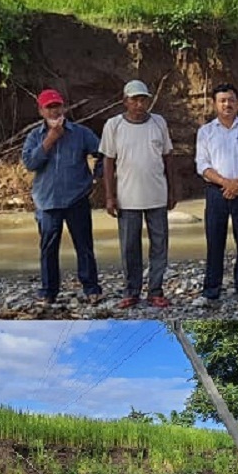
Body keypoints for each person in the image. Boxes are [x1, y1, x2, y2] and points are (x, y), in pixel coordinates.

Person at [20, 88, 103, 305]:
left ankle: (91, 287)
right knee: (48, 247)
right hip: (47, 201)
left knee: (84, 245)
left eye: (57, 106)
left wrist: (97, 177)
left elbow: (102, 153)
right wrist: (50, 139)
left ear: (63, 107)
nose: (54, 111)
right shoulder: (34, 136)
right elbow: (30, 163)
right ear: (41, 111)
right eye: (49, 107)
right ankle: (48, 291)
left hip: (77, 197)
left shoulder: (80, 133)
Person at [100, 79, 176, 310]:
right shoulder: (113, 126)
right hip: (127, 197)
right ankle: (131, 291)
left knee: (159, 244)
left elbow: (168, 157)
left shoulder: (158, 122)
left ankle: (155, 290)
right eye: (134, 99)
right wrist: (110, 196)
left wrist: (173, 190)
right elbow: (108, 162)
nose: (139, 104)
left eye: (143, 99)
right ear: (125, 101)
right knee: (130, 246)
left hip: (157, 195)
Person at [195, 83, 238, 308]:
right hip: (216, 191)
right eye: (222, 100)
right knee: (214, 240)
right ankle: (211, 291)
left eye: (231, 100)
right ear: (214, 104)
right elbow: (202, 165)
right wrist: (225, 183)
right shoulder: (206, 131)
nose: (227, 104)